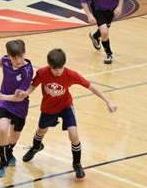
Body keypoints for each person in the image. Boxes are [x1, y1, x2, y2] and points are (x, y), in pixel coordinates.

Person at [17, 48, 117, 179]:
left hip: (65, 106)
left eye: (60, 68)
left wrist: (108, 101)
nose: (57, 72)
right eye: (54, 69)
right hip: (48, 107)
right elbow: (33, 86)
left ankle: (77, 164)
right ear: (49, 65)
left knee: (74, 135)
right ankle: (36, 147)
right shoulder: (42, 72)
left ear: (64, 64)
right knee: (41, 130)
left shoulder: (71, 75)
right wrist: (26, 93)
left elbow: (91, 86)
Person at [0, 40, 34, 178]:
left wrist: (1, 96)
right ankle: (2, 162)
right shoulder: (6, 60)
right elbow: (1, 59)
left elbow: (19, 98)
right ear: (9, 56)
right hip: (4, 103)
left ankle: (9, 152)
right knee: (3, 129)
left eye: (20, 56)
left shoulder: (27, 71)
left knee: (14, 136)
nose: (18, 60)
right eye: (14, 57)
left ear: (24, 53)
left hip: (19, 105)